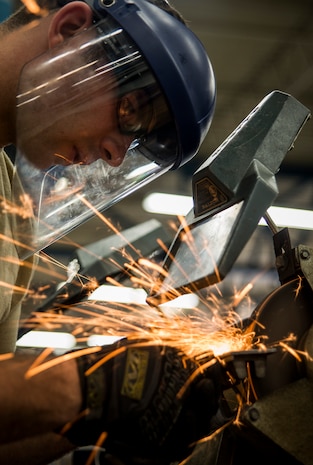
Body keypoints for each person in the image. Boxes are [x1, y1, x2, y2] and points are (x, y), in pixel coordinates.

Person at [0, 0, 218, 463]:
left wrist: (97, 428)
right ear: (72, 28)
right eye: (130, 112)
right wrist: (87, 385)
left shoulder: (9, 212)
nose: (117, 157)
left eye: (135, 143)